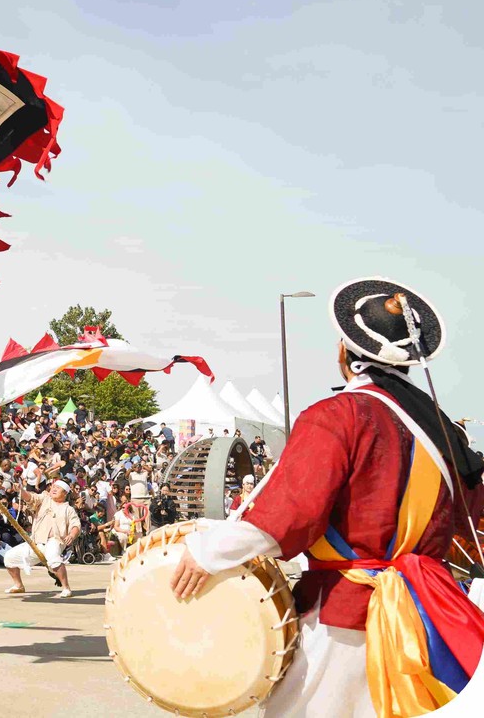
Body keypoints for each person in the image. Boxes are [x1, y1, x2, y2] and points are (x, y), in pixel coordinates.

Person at [170, 278, 484, 715]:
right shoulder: (445, 433)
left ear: (345, 352)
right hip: (425, 616)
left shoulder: (337, 416)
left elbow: (290, 514)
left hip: (342, 619)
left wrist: (208, 552)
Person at [3, 480, 80, 597]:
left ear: (65, 493)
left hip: (55, 541)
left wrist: (72, 535)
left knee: (53, 557)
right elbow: (31, 498)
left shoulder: (68, 509)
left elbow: (75, 525)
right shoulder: (44, 499)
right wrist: (21, 490)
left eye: (57, 488)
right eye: (53, 487)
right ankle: (18, 585)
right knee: (9, 557)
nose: (53, 489)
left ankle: (66, 587)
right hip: (36, 541)